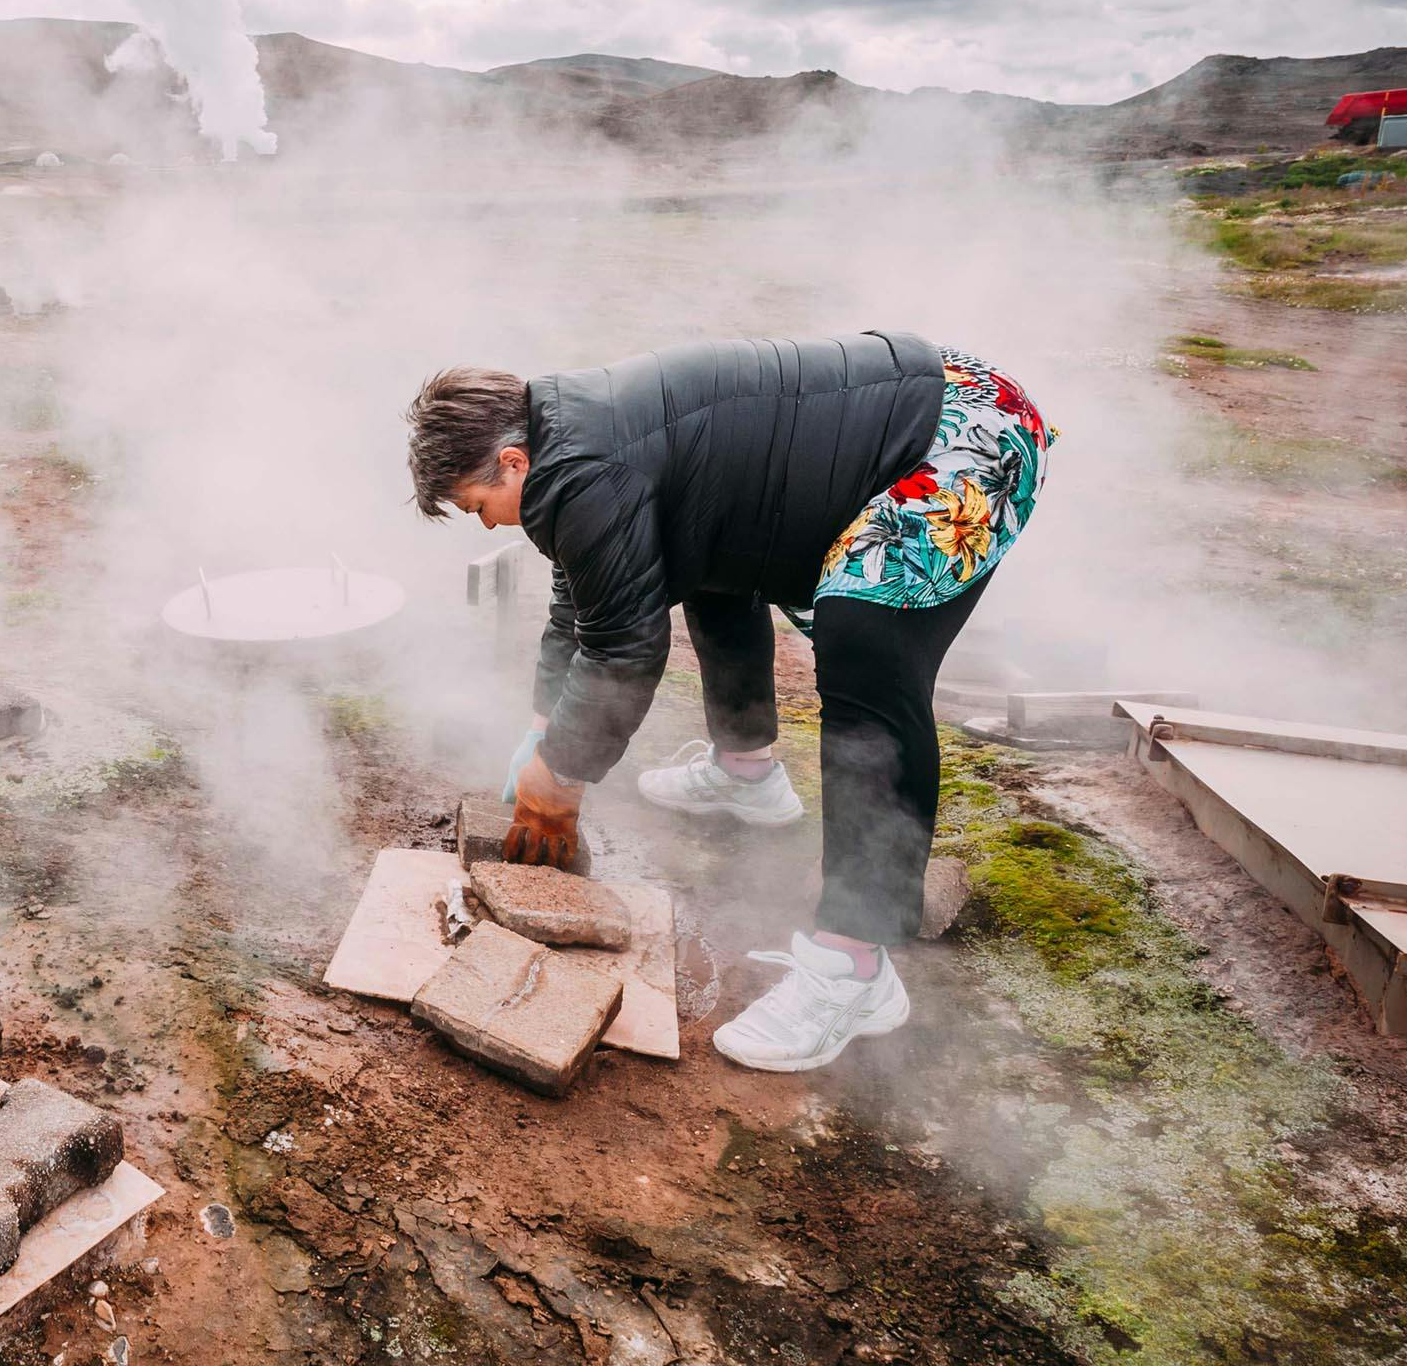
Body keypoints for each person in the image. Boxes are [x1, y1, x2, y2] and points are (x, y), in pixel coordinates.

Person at [404, 331, 1053, 1072]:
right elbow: (589, 597)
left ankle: (855, 969)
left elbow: (625, 647)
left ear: (512, 461)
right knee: (704, 551)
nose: (487, 523)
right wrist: (543, 724)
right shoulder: (570, 439)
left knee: (865, 646)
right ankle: (746, 774)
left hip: (965, 437)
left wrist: (560, 777)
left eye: (478, 504)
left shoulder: (582, 468)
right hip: (931, 400)